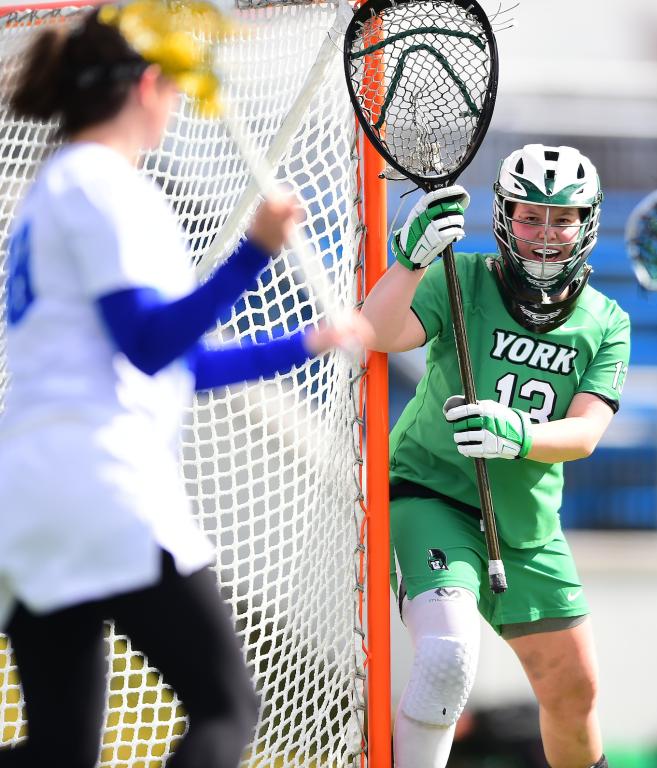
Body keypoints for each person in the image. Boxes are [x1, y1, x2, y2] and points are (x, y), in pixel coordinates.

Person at [0, 9, 362, 767]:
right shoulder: (102, 185)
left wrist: (305, 344)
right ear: (149, 84)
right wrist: (251, 257)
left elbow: (176, 364)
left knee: (60, 752)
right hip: (102, 486)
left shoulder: (56, 191)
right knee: (226, 708)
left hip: (35, 498)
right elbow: (151, 342)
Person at [360, 143, 630, 768]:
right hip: (433, 492)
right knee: (448, 654)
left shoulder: (606, 321)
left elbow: (585, 434)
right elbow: (375, 333)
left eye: (561, 218)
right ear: (505, 217)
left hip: (524, 523)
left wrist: (521, 436)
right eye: (530, 216)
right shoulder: (466, 278)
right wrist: (408, 261)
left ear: (587, 223)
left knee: (575, 689)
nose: (544, 235)